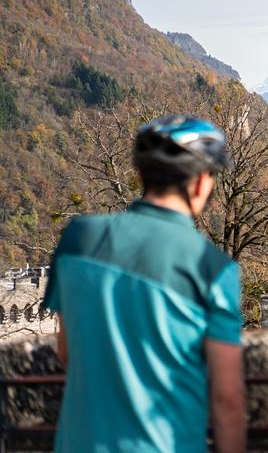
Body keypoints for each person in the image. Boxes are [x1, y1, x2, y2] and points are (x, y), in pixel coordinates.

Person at [43, 115, 246, 453]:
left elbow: (67, 351)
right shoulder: (213, 268)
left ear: (142, 174)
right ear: (199, 183)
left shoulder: (78, 238)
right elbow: (228, 400)